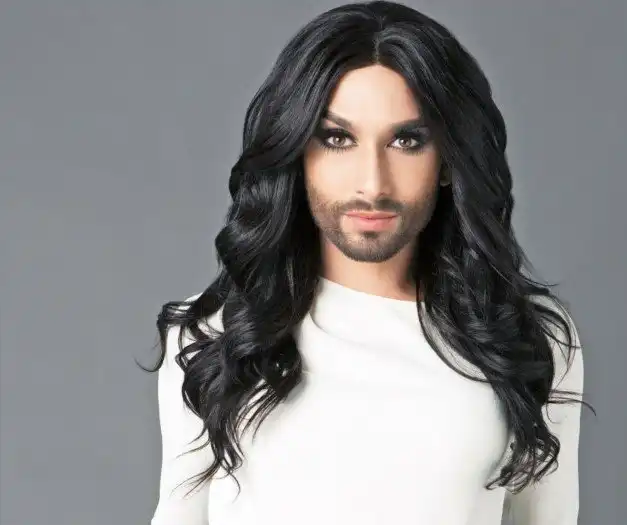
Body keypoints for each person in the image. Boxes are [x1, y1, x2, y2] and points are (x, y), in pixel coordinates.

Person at [143, 1, 592, 524]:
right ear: (296, 152)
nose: (372, 183)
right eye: (338, 139)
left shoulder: (530, 341)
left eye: (407, 140)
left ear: (449, 160)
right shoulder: (212, 336)